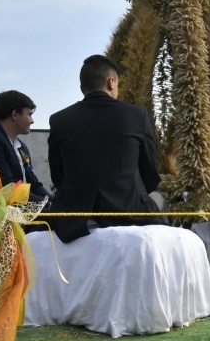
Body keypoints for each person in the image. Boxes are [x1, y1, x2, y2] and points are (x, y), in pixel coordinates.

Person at [48, 54, 166, 243]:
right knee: (158, 197)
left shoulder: (59, 120)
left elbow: (58, 176)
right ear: (111, 82)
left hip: (75, 215)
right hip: (129, 211)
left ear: (82, 87)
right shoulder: (136, 116)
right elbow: (151, 173)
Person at [0, 90, 52, 204]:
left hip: (21, 210)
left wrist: (54, 202)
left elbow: (34, 185)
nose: (32, 121)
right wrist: (46, 205)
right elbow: (7, 186)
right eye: (29, 114)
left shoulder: (22, 147)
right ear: (15, 114)